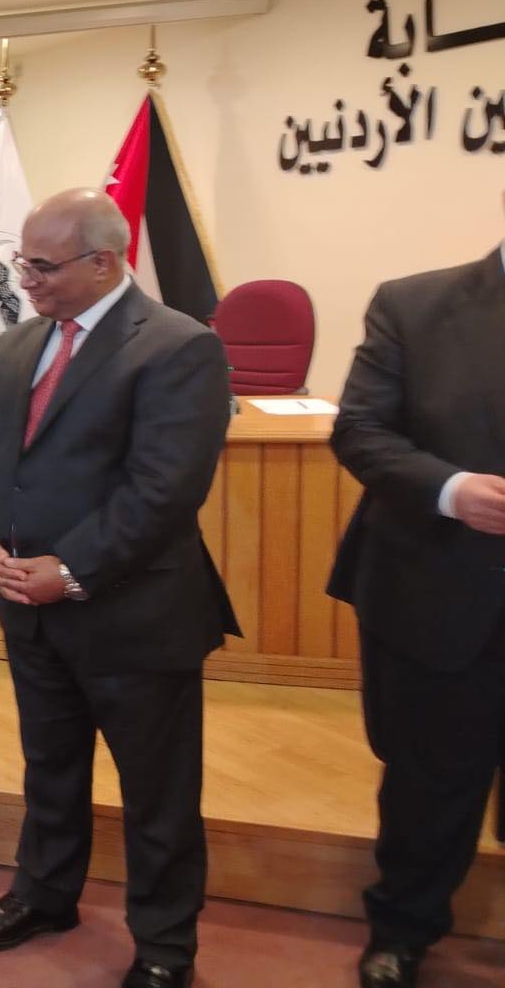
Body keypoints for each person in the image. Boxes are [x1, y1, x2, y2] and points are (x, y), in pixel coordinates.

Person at [0, 188, 236, 988]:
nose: (25, 279)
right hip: (28, 609)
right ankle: (45, 894)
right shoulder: (20, 343)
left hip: (136, 617)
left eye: (42, 266)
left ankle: (165, 945)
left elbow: (164, 491)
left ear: (104, 262)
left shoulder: (179, 346)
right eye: (23, 262)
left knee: (158, 794)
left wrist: (70, 569)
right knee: (50, 767)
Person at [327, 199, 505, 988]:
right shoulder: (415, 304)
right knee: (428, 786)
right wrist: (452, 490)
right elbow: (360, 430)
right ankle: (401, 931)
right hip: (439, 591)